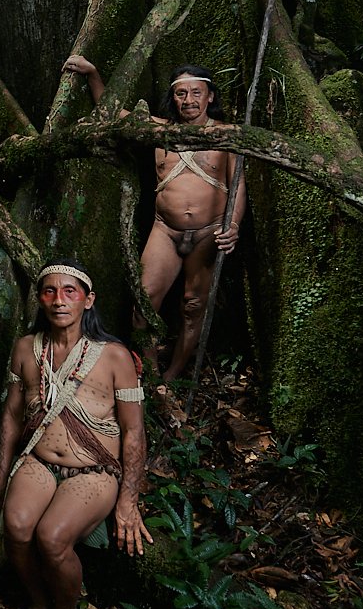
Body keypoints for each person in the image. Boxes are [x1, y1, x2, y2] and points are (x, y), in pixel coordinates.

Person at [0, 259, 151, 609]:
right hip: (39, 461)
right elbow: (13, 416)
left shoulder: (115, 356)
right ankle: (38, 607)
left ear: (89, 300)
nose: (59, 300)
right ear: (40, 299)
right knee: (17, 528)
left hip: (95, 470)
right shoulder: (26, 349)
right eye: (50, 291)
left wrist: (128, 501)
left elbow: (134, 433)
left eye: (70, 291)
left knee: (51, 538)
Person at [64, 55, 245, 384]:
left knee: (193, 305)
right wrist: (93, 73)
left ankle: (172, 375)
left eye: (195, 92)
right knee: (144, 303)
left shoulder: (227, 134)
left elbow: (238, 185)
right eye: (181, 94)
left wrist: (232, 226)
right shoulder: (157, 130)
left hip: (207, 232)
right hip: (166, 230)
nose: (188, 100)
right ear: (173, 98)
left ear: (210, 96)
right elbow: (109, 113)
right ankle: (147, 372)